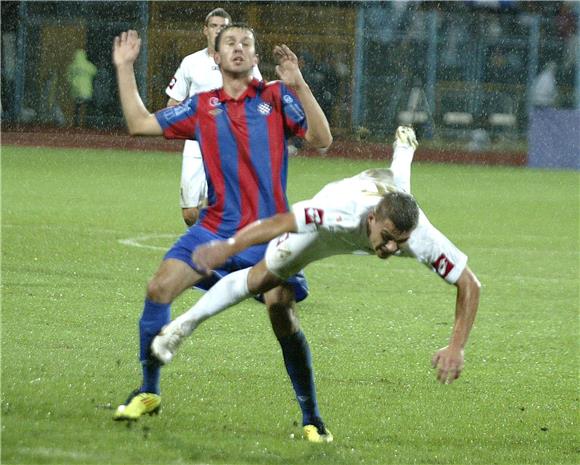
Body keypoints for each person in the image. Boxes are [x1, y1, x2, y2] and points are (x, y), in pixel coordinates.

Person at [151, 127, 481, 428]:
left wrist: (457, 346)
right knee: (261, 280)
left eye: (401, 241)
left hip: (387, 194)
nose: (393, 248)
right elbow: (279, 223)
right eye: (389, 237)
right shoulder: (336, 212)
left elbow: (469, 284)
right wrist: (229, 246)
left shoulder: (417, 236)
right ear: (371, 219)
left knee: (402, 191)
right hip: (328, 230)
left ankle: (403, 148)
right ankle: (183, 326)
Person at [111, 25, 334, 443]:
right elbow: (139, 124)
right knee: (159, 288)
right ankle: (148, 390)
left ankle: (312, 417)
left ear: (254, 57)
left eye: (246, 44)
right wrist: (125, 68)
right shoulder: (202, 106)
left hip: (269, 235)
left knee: (281, 313)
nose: (238, 48)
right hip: (214, 228)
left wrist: (299, 84)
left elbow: (322, 140)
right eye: (229, 43)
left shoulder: (275, 97)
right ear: (214, 57)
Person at [165, 8, 262, 226]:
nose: (218, 30)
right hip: (197, 145)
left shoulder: (242, 61)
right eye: (214, 26)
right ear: (205, 30)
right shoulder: (191, 62)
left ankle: (215, 247)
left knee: (220, 205)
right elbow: (173, 103)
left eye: (223, 27)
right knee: (190, 213)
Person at [66, 49, 97, 127]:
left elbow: (68, 78)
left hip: (76, 91)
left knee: (77, 107)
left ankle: (76, 123)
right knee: (87, 107)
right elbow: (95, 71)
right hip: (86, 91)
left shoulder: (72, 66)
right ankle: (88, 123)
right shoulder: (87, 65)